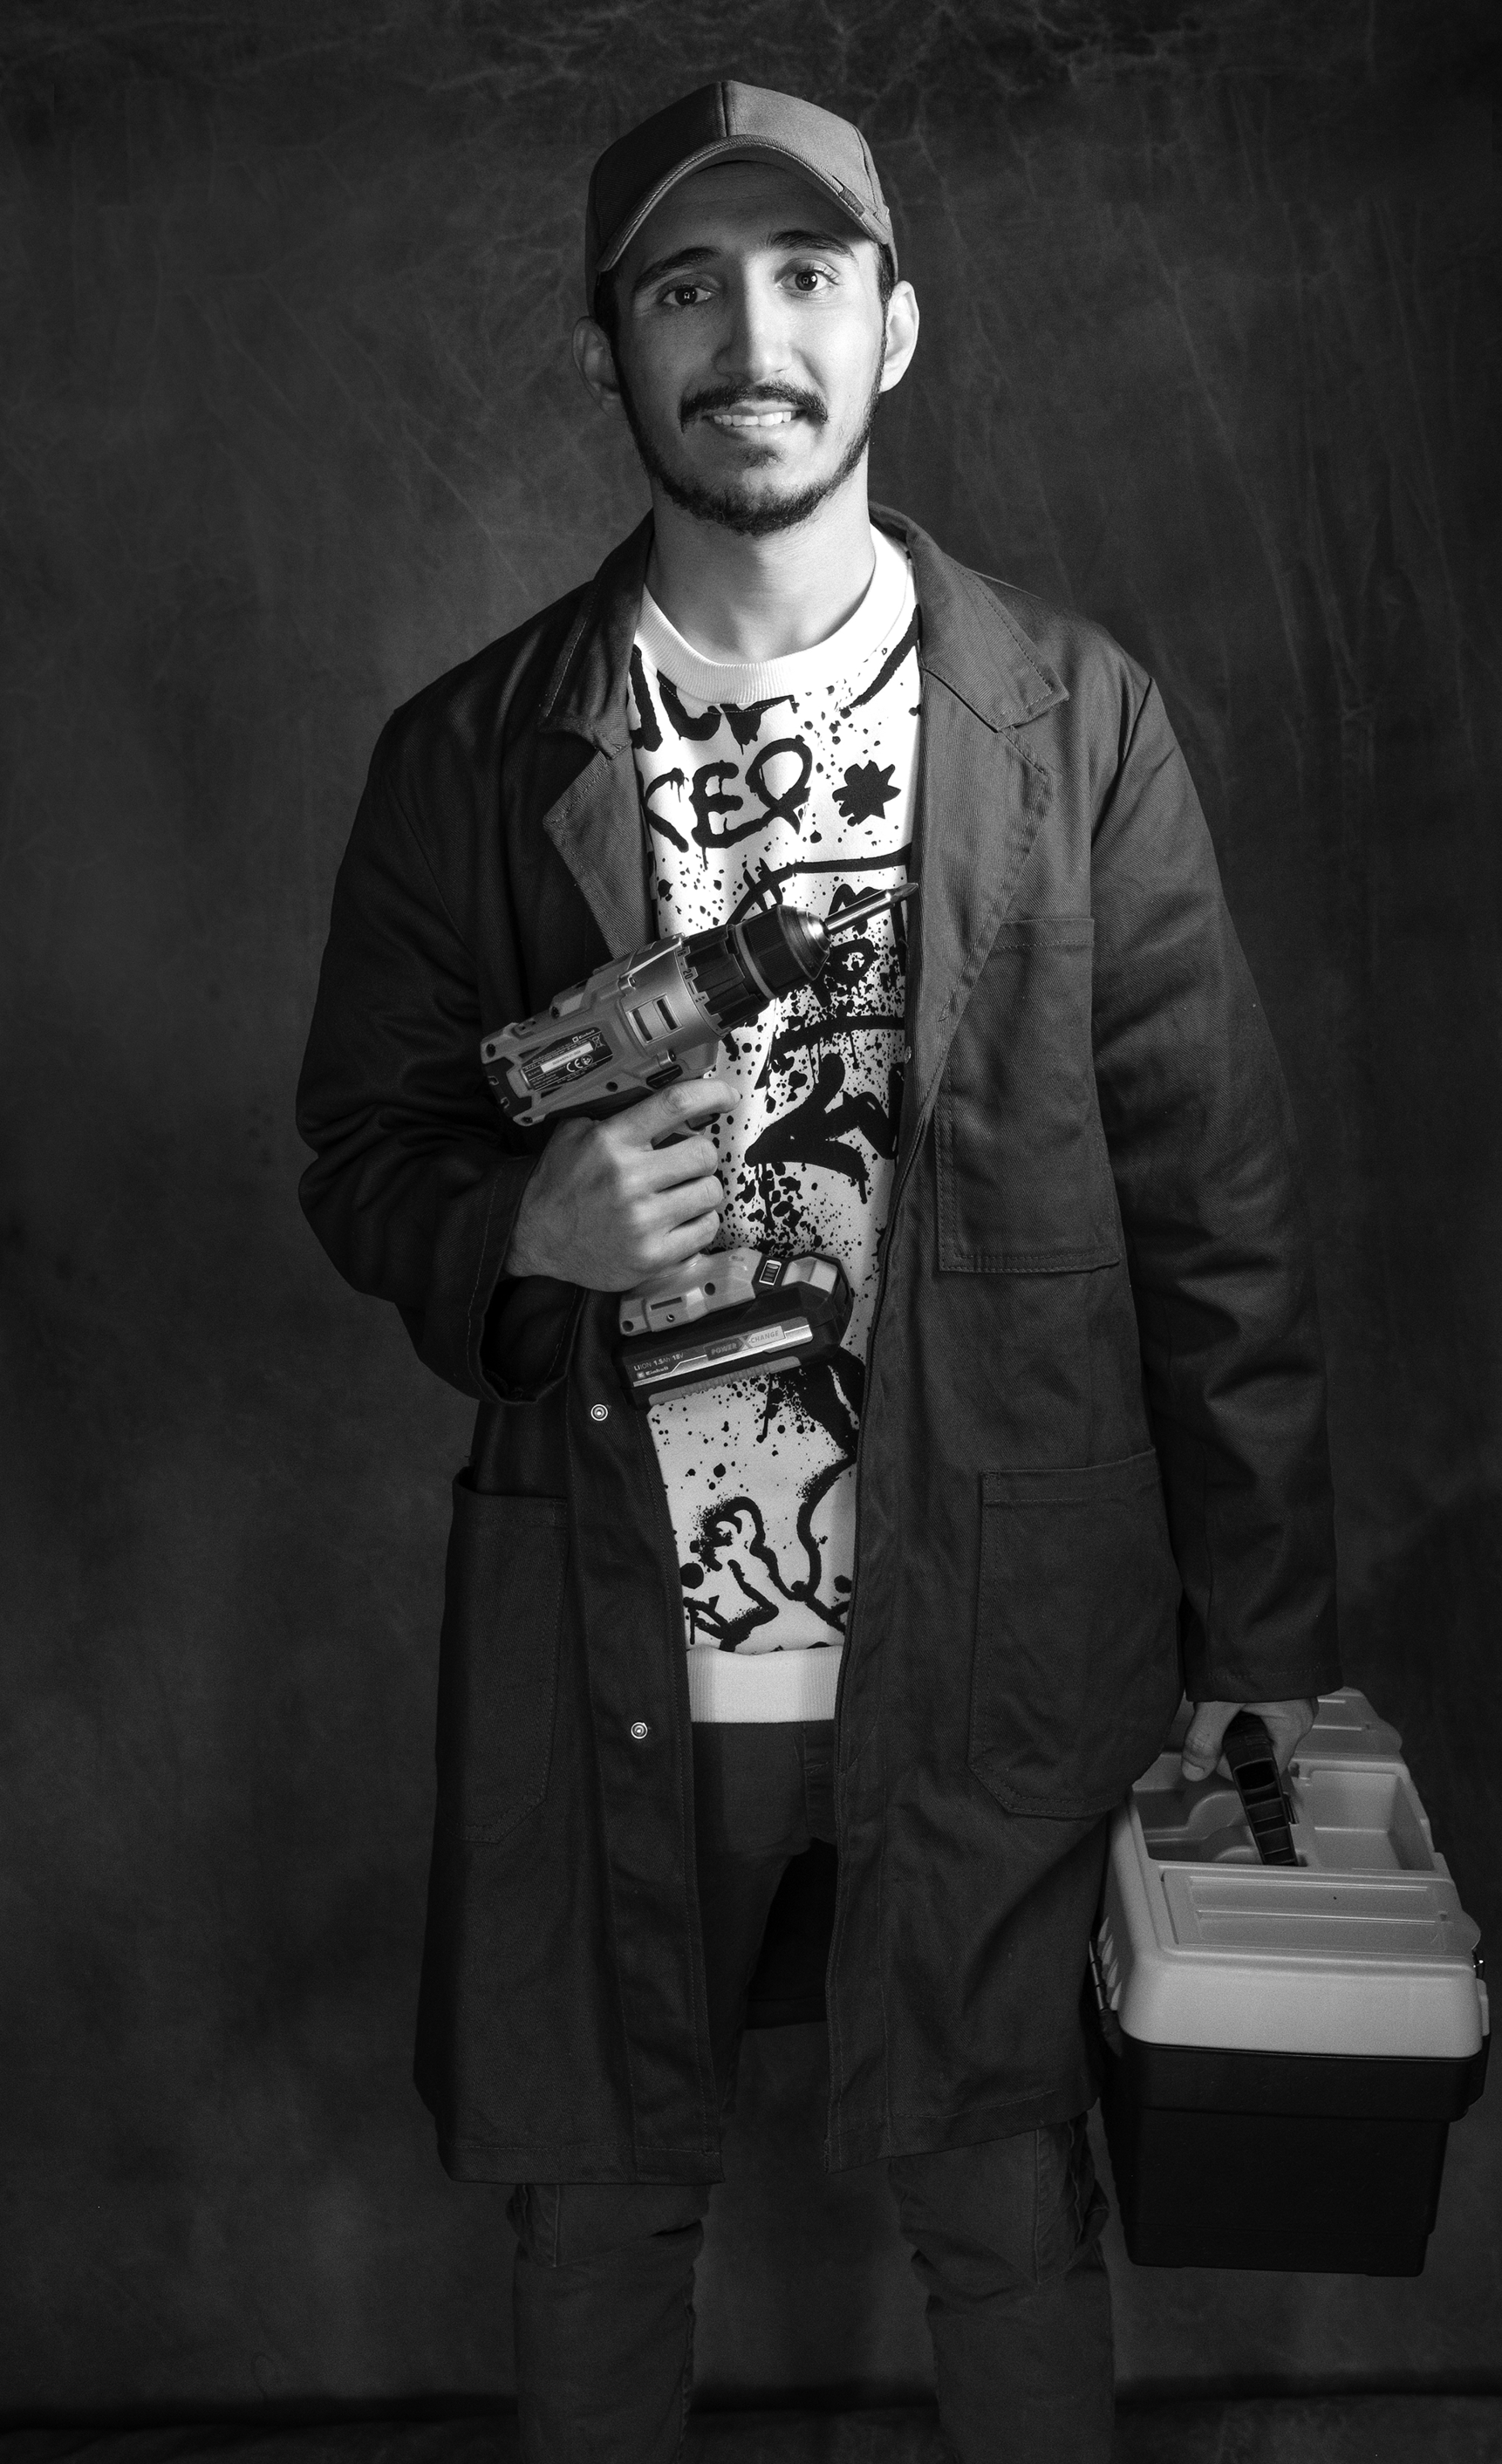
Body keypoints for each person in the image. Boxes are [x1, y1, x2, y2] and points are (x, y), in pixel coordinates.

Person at [297, 78, 1339, 2464]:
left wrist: (1268, 1662)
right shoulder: (472, 756)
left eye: (802, 277)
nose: (748, 337)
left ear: (895, 328)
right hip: (611, 1634)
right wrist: (522, 1226)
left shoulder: (1069, 724)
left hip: (994, 1628)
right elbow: (363, 1150)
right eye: (684, 287)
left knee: (1008, 2196)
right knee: (593, 2216)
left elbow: (1218, 1222)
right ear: (607, 353)